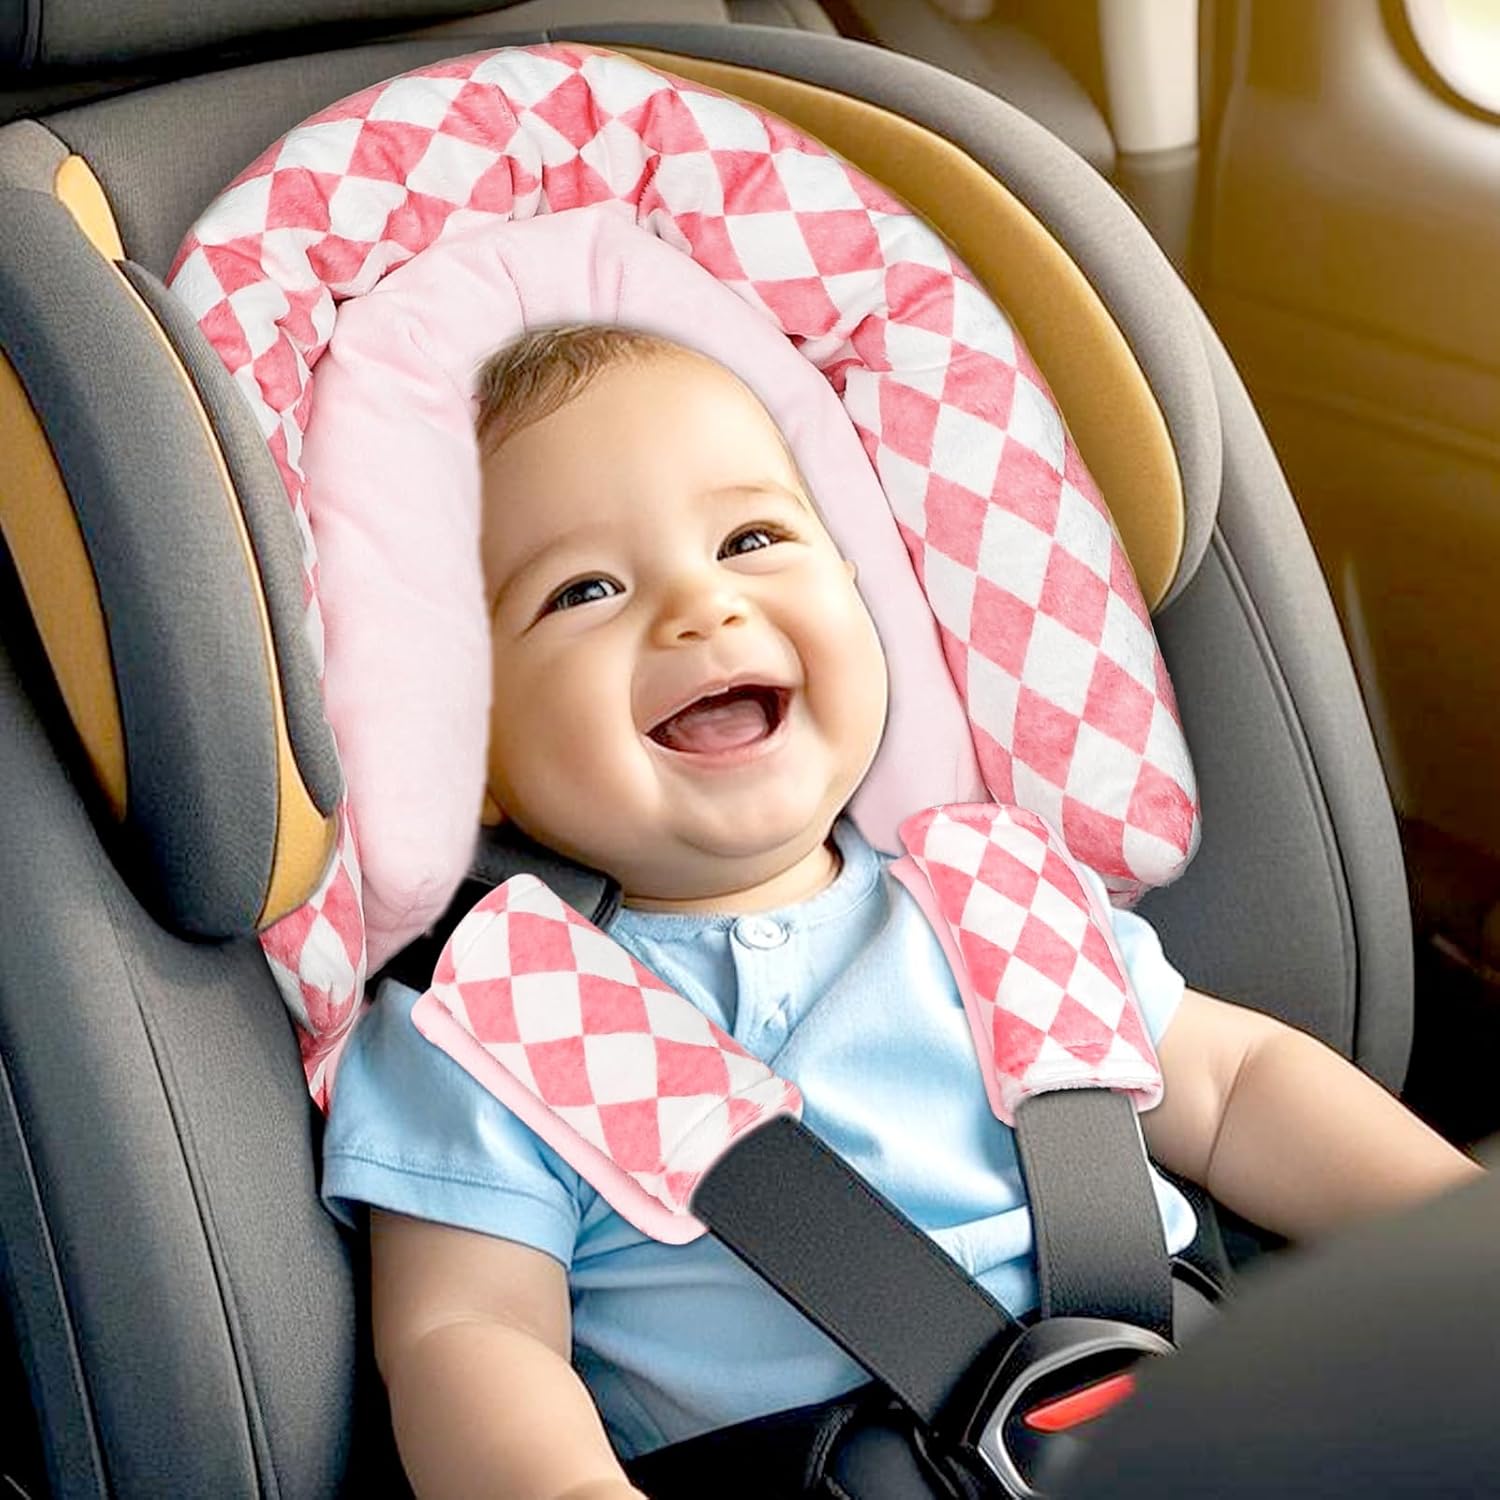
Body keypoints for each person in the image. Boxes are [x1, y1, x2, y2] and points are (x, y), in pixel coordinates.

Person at [321, 324, 1478, 1500]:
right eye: (584, 591)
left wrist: (1458, 1239)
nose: (701, 606)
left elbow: (1235, 1089)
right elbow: (470, 1334)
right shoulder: (491, 1023)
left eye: (752, 539)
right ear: (462, 733)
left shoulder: (1000, 895)